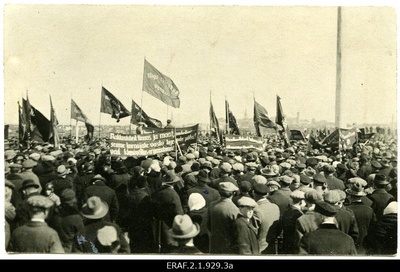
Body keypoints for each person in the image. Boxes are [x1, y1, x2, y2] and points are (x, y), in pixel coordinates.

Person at [207, 181, 240, 254]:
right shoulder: (234, 209)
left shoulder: (212, 205)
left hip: (214, 243)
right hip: (228, 246)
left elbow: (208, 224)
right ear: (233, 193)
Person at [252, 183, 280, 254]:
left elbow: (253, 232)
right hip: (272, 245)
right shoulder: (275, 207)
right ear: (267, 194)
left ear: (254, 193)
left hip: (260, 247)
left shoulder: (256, 210)